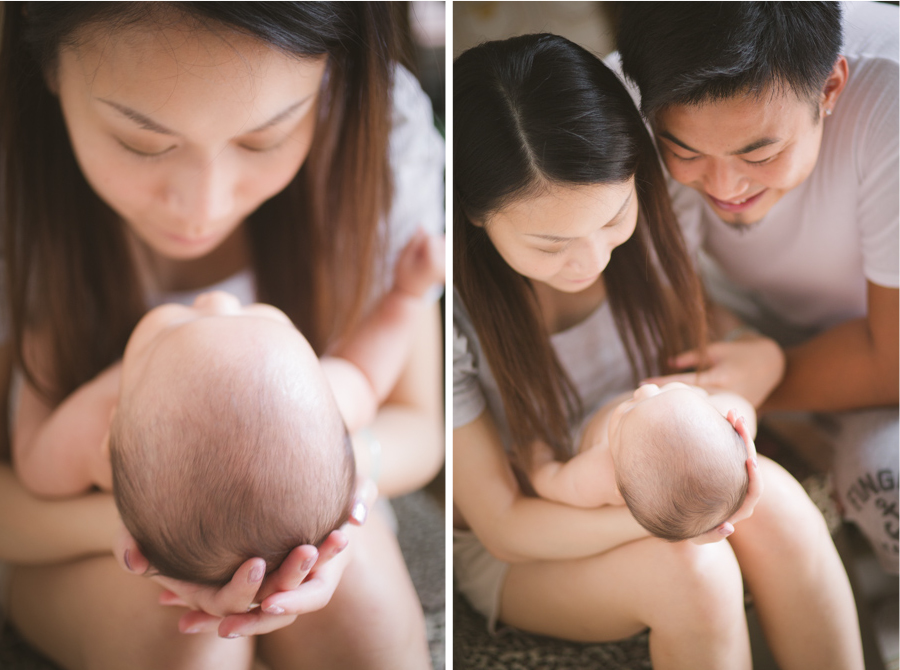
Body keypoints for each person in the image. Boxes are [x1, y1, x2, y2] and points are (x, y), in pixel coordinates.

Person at [0, 3, 443, 669]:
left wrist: (319, 510)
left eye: (265, 138)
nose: (205, 207)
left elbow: (411, 417)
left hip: (302, 525)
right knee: (193, 646)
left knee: (367, 621)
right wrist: (155, 540)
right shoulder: (97, 415)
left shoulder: (374, 136)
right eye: (142, 141)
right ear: (49, 70)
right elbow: (29, 473)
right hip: (64, 541)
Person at [454, 33, 863, 669]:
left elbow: (723, 346)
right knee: (694, 577)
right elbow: (506, 528)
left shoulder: (652, 230)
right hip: (534, 543)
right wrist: (668, 518)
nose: (590, 260)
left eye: (613, 217)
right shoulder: (453, 317)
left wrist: (736, 409)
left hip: (669, 485)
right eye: (549, 243)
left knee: (778, 504)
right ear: (476, 216)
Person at [615, 1, 899, 573]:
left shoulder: (890, 93)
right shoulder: (622, 96)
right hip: (744, 329)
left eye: (760, 152)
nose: (724, 186)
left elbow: (892, 363)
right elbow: (666, 297)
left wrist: (765, 377)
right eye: (685, 152)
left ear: (830, 87)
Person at [13, 230, 443, 586]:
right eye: (252, 316)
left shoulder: (99, 431)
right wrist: (406, 298)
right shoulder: (320, 397)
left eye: (174, 331)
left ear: (111, 435)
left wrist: (102, 397)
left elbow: (35, 465)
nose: (215, 301)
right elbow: (365, 373)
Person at [531, 382, 754, 543]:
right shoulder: (700, 413)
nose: (646, 389)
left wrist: (536, 456)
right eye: (669, 391)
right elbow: (743, 407)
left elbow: (554, 481)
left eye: (629, 410)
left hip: (575, 425)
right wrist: (743, 434)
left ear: (617, 487)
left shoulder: (600, 471)